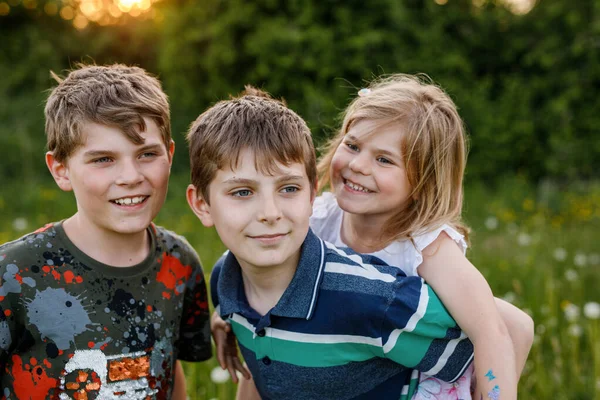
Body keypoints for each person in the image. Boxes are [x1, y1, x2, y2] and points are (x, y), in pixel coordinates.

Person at [214, 75, 535, 399]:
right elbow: (261, 267)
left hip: (417, 383)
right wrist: (228, 314)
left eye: (384, 159)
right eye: (352, 145)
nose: (357, 165)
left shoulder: (427, 247)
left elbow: (499, 330)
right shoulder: (321, 218)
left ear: (423, 181)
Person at [0, 64, 212, 398]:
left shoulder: (180, 263)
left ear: (170, 155)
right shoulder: (13, 275)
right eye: (103, 159)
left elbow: (170, 374)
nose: (130, 176)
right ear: (61, 169)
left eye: (147, 154)